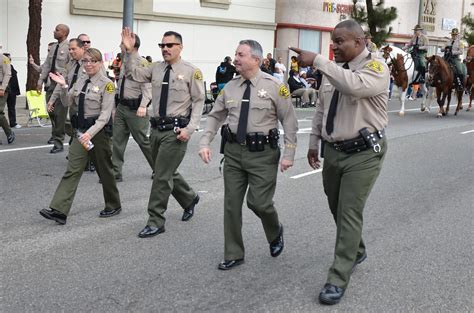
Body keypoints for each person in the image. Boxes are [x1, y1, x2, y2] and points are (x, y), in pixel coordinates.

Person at [290, 19, 389, 305]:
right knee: (336, 206)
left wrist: (318, 60)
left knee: (348, 211)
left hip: (364, 153)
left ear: (359, 42)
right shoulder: (333, 72)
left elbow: (355, 88)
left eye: (340, 41)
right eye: (332, 41)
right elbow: (322, 107)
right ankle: (356, 248)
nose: (334, 46)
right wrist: (313, 143)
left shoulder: (375, 67)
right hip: (333, 150)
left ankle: (338, 277)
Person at [199, 39, 298, 270]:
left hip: (263, 155)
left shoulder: (275, 86)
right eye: (235, 53)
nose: (236, 58)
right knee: (231, 204)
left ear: (256, 59)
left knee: (259, 203)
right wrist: (205, 141)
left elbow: (290, 121)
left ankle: (275, 231)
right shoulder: (230, 87)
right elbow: (215, 116)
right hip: (233, 153)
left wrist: (289, 155)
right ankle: (234, 253)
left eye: (241, 54)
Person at [121, 28, 204, 238]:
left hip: (176, 131)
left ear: (180, 47)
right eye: (162, 45)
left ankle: (156, 220)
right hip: (156, 129)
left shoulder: (191, 71)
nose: (165, 49)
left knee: (161, 176)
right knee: (166, 171)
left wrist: (190, 129)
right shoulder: (155, 68)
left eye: (169, 45)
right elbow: (133, 73)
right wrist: (130, 52)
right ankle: (189, 198)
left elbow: (198, 102)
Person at [39, 48, 122, 225]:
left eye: (93, 61)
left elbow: (105, 116)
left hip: (97, 134)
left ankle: (113, 204)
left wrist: (89, 134)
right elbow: (67, 102)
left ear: (100, 63)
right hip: (80, 132)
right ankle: (59, 210)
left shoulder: (107, 84)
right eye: (85, 61)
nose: (88, 64)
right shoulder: (80, 81)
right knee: (72, 169)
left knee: (105, 171)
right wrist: (63, 86)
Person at [112, 34, 154, 182]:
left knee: (143, 141)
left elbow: (147, 88)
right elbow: (119, 87)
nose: (120, 46)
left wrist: (143, 106)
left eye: (122, 44)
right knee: (117, 140)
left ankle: (158, 168)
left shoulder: (142, 63)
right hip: (122, 107)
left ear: (132, 45)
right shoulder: (125, 62)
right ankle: (115, 172)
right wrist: (116, 106)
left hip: (136, 109)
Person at [37, 24, 70, 153]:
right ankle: (73, 133)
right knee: (51, 112)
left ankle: (58, 141)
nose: (54, 31)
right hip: (51, 84)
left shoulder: (69, 48)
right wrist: (40, 81)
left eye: (57, 30)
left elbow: (68, 70)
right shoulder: (53, 48)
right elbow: (46, 66)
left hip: (62, 85)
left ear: (65, 33)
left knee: (59, 114)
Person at [48, 38, 87, 144]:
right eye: (69, 49)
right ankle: (75, 146)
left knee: (85, 130)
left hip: (86, 104)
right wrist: (52, 100)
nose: (70, 52)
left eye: (73, 49)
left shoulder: (90, 63)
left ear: (82, 48)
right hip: (72, 101)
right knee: (70, 125)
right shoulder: (70, 64)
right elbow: (61, 82)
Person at [0, 49, 15, 144]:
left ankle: (9, 133)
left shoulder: (4, 59)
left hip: (1, 87)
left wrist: (2, 88)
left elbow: (8, 74)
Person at [3, 53, 21, 128]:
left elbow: (14, 80)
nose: (9, 61)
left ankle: (13, 123)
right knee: (1, 108)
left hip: (12, 91)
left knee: (12, 107)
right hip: (3, 90)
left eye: (10, 59)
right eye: (7, 59)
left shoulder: (11, 67)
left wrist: (16, 91)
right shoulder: (2, 69)